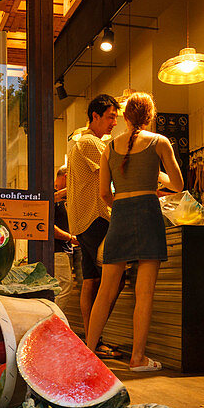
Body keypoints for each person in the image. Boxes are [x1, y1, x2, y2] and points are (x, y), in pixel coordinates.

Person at [86, 92, 184, 372]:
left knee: (105, 290)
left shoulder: (108, 148)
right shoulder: (159, 142)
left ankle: (89, 352)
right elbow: (178, 184)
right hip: (148, 213)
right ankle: (137, 359)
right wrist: (157, 177)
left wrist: (122, 204)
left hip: (120, 213)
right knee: (145, 292)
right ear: (150, 117)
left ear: (126, 117)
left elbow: (104, 192)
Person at [66, 93, 120, 355]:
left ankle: (92, 341)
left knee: (91, 280)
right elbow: (118, 171)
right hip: (96, 218)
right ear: (95, 116)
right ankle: (95, 338)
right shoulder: (91, 143)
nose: (114, 123)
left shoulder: (78, 142)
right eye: (110, 117)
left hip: (82, 221)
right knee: (115, 277)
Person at [52, 164, 77, 315]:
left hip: (61, 251)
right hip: (57, 250)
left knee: (58, 289)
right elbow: (47, 226)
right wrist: (70, 238)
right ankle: (51, 324)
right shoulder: (53, 196)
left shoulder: (61, 197)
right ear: (67, 177)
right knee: (64, 288)